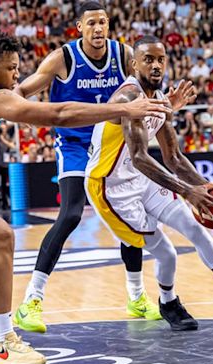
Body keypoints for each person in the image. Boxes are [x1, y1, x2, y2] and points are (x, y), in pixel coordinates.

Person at [0, 32, 169, 364]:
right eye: (11, 69)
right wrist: (125, 107)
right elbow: (58, 115)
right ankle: (3, 341)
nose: (16, 75)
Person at [13, 1, 196, 333]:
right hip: (76, 146)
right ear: (79, 28)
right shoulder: (62, 58)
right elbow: (22, 90)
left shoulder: (123, 54)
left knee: (133, 213)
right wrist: (21, 112)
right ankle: (31, 301)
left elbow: (145, 87)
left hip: (113, 144)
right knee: (69, 214)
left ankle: (136, 297)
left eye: (104, 22)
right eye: (92, 23)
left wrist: (169, 102)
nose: (99, 29)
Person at [85, 35, 213, 331]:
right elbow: (138, 156)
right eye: (148, 59)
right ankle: (168, 302)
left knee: (196, 229)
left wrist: (207, 191)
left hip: (142, 178)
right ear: (134, 64)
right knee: (167, 253)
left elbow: (173, 157)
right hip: (110, 187)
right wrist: (187, 191)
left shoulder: (160, 101)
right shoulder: (128, 98)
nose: (156, 65)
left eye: (161, 59)